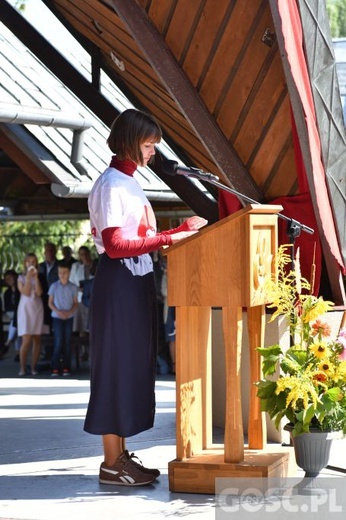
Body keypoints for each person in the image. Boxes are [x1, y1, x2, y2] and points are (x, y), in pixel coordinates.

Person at [84, 108, 208, 486]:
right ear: (129, 142)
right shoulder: (111, 185)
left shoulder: (129, 181)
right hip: (119, 281)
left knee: (129, 366)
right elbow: (116, 245)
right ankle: (110, 462)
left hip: (134, 281)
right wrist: (175, 234)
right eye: (149, 144)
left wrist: (172, 236)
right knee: (115, 367)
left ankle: (120, 455)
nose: (154, 151)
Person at [48, 262, 79, 376]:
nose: (62, 274)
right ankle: (55, 368)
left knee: (67, 342)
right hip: (57, 317)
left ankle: (66, 367)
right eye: (60, 272)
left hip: (69, 317)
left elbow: (76, 303)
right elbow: (50, 303)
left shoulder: (73, 287)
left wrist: (69, 312)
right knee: (58, 341)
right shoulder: (54, 286)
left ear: (69, 273)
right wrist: (58, 312)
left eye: (65, 272)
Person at [17, 253, 44, 376]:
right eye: (29, 261)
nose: (31, 264)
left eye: (34, 261)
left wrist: (36, 277)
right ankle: (22, 367)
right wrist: (28, 277)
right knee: (26, 340)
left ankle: (33, 367)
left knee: (37, 339)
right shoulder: (20, 278)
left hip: (37, 309)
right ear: (25, 263)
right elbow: (26, 292)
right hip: (25, 310)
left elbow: (39, 293)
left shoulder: (39, 276)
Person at [69, 246, 96, 361]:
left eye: (85, 253)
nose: (83, 256)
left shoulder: (95, 265)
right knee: (82, 328)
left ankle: (93, 353)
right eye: (81, 254)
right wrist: (78, 289)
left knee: (93, 328)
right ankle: (83, 352)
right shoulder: (75, 267)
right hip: (80, 299)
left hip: (93, 299)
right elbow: (71, 282)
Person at [1, 269, 21, 359]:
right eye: (7, 279)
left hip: (20, 314)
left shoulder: (20, 289)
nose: (9, 280)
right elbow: (7, 306)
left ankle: (7, 343)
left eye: (10, 278)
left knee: (17, 325)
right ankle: (18, 353)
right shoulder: (7, 293)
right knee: (16, 323)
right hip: (12, 314)